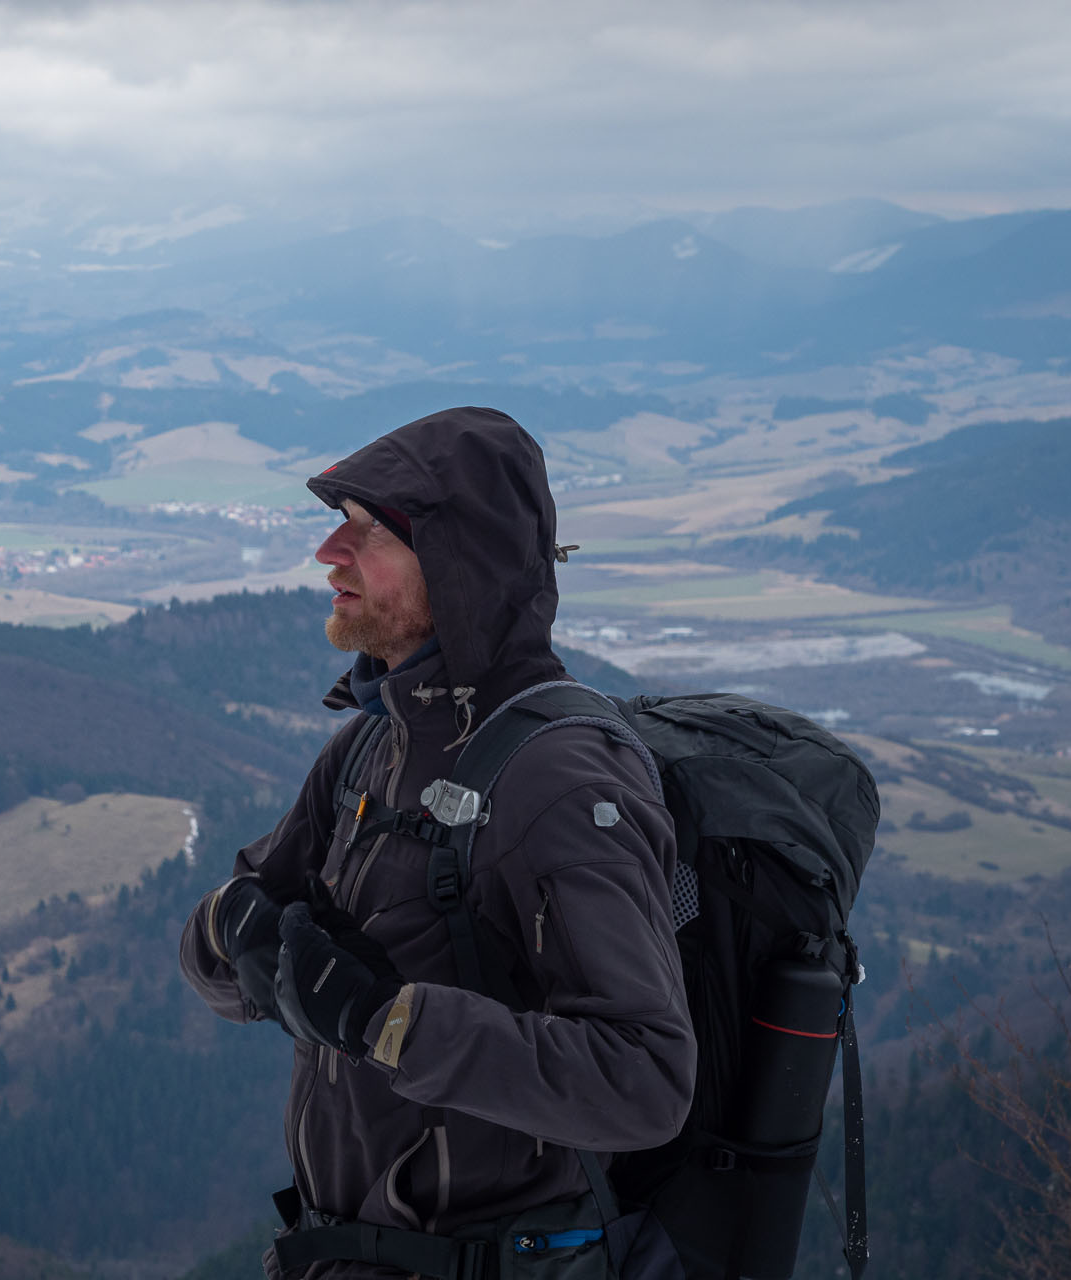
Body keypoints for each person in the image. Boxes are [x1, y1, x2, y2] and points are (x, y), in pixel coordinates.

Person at [177, 406, 696, 1279]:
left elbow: (643, 1080)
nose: (327, 555)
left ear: (460, 563)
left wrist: (385, 1022)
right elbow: (219, 958)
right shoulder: (369, 750)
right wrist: (238, 930)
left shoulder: (559, 784)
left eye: (366, 532)